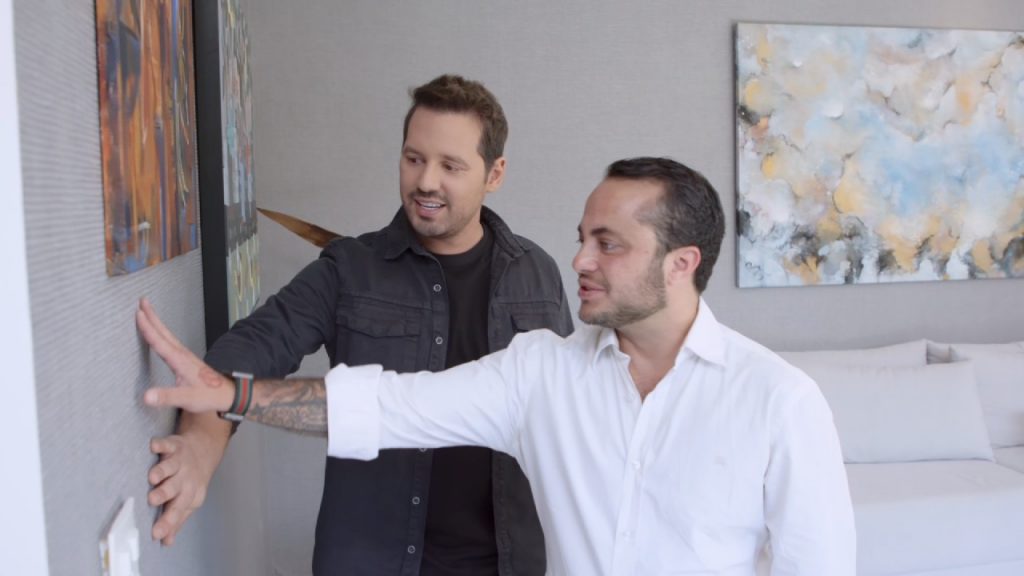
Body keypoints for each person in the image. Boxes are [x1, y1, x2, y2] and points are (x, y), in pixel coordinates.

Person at [141, 157, 857, 575]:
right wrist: (231, 394)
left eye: (608, 244)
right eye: (582, 238)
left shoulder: (779, 401)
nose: (578, 260)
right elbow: (388, 407)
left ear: (681, 264)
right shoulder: (540, 374)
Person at [146, 74, 573, 575]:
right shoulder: (349, 268)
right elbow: (250, 348)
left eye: (450, 165)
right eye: (414, 159)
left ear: (494, 173)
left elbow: (568, 407)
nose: (426, 181)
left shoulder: (537, 275)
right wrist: (202, 443)